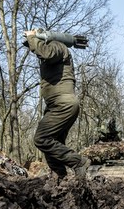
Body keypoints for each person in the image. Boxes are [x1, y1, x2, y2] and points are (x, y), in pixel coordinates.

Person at [24, 29, 91, 179]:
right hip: (57, 104)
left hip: (63, 104)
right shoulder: (55, 49)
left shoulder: (58, 46)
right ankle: (59, 177)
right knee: (53, 146)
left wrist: (32, 37)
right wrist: (31, 40)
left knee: (41, 139)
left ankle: (78, 162)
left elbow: (46, 53)